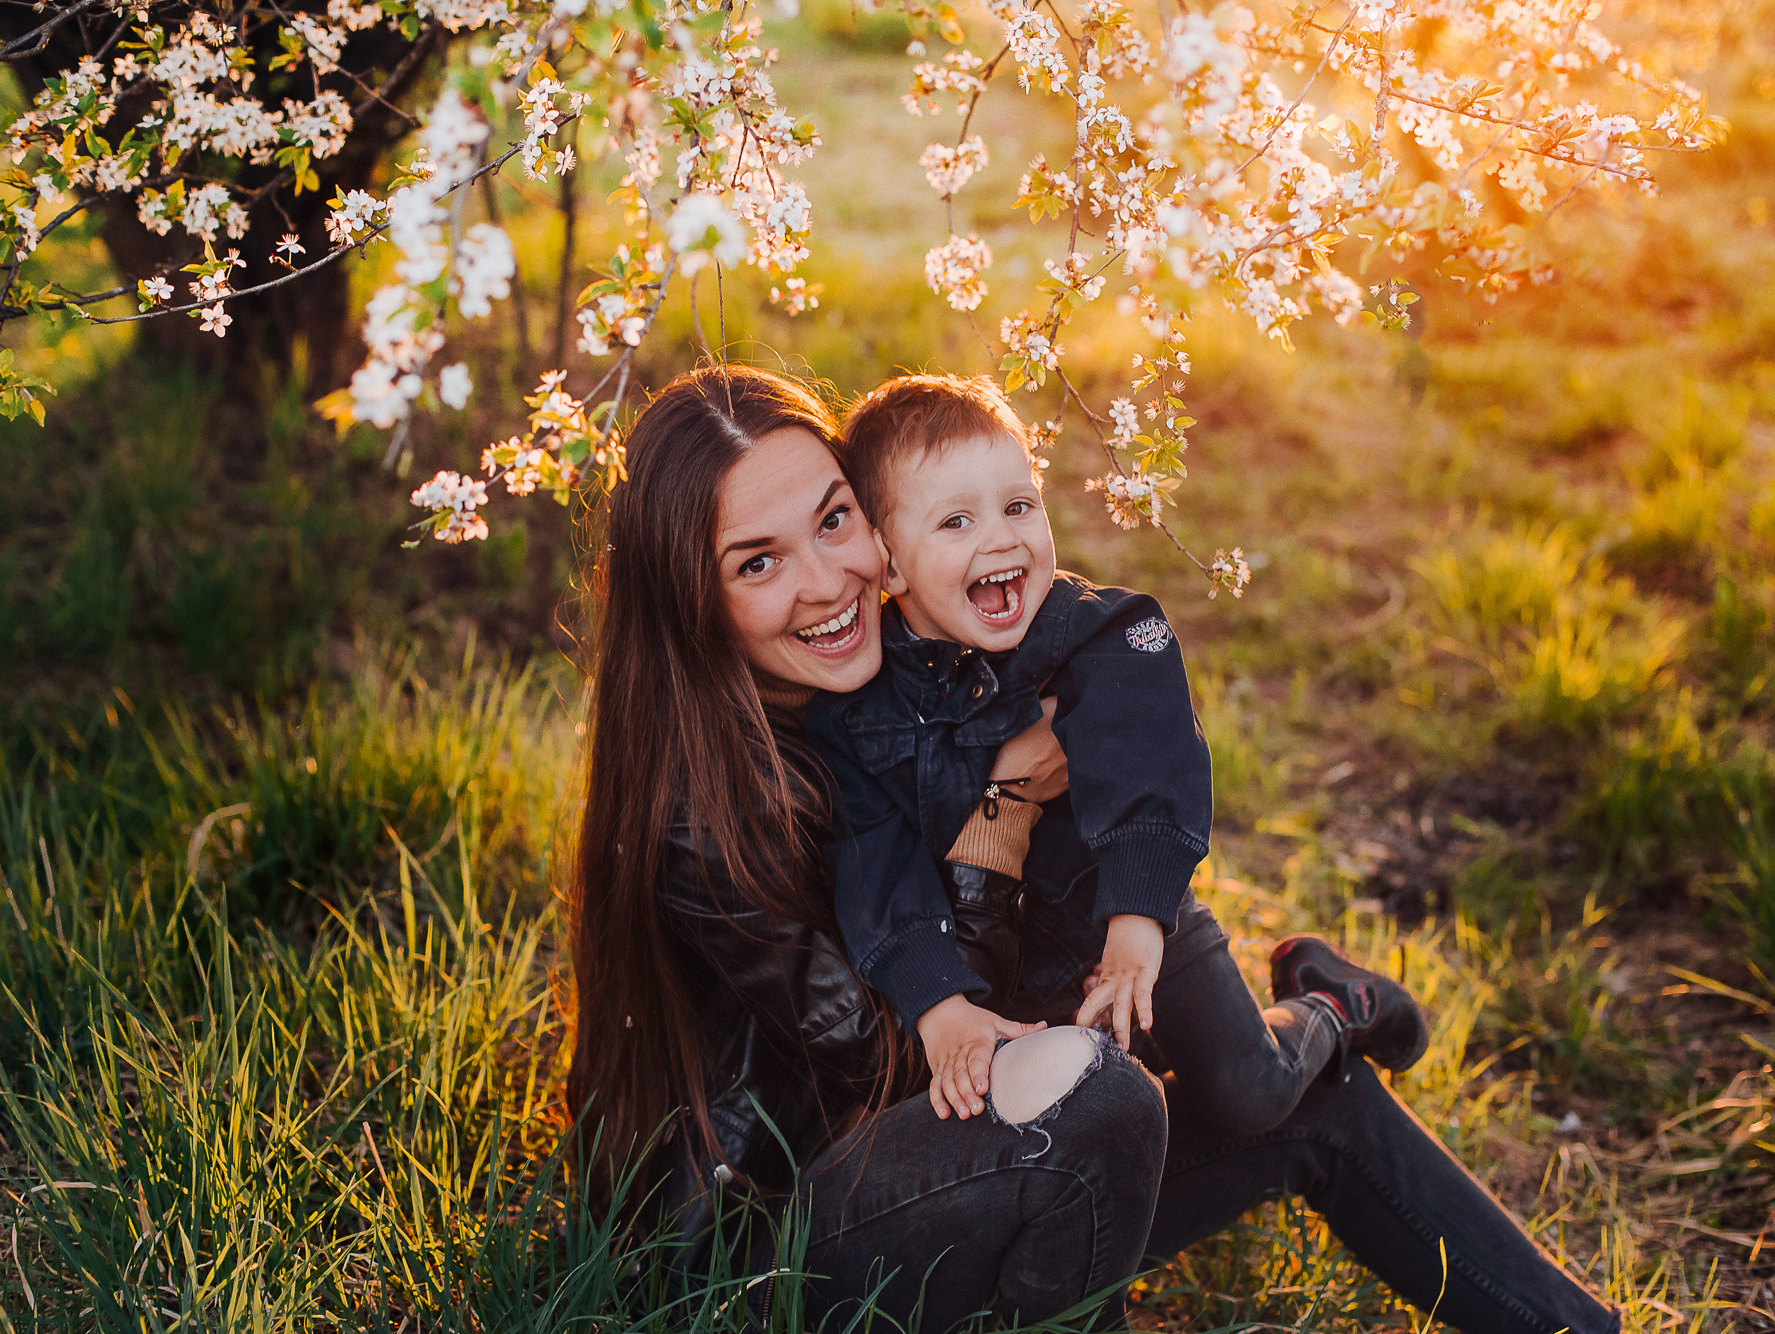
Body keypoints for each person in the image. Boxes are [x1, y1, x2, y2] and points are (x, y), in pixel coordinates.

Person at [567, 363, 1624, 1334]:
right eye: (758, 561)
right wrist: (1010, 802)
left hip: (959, 1155)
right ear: (690, 601)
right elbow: (905, 1061)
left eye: (833, 519)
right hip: (778, 1253)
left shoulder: (900, 676)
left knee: (1305, 1100)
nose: (828, 580)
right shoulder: (703, 815)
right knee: (1100, 1092)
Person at [808, 373, 1427, 1130]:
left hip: (1134, 913)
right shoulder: (861, 711)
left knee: (1248, 1091)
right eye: (956, 523)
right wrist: (941, 1006)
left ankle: (1333, 1002)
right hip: (1014, 970)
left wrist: (1137, 918)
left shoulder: (1093, 635)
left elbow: (1149, 757)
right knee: (1095, 1113)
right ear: (889, 564)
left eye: (1018, 506)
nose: (1001, 538)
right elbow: (877, 865)